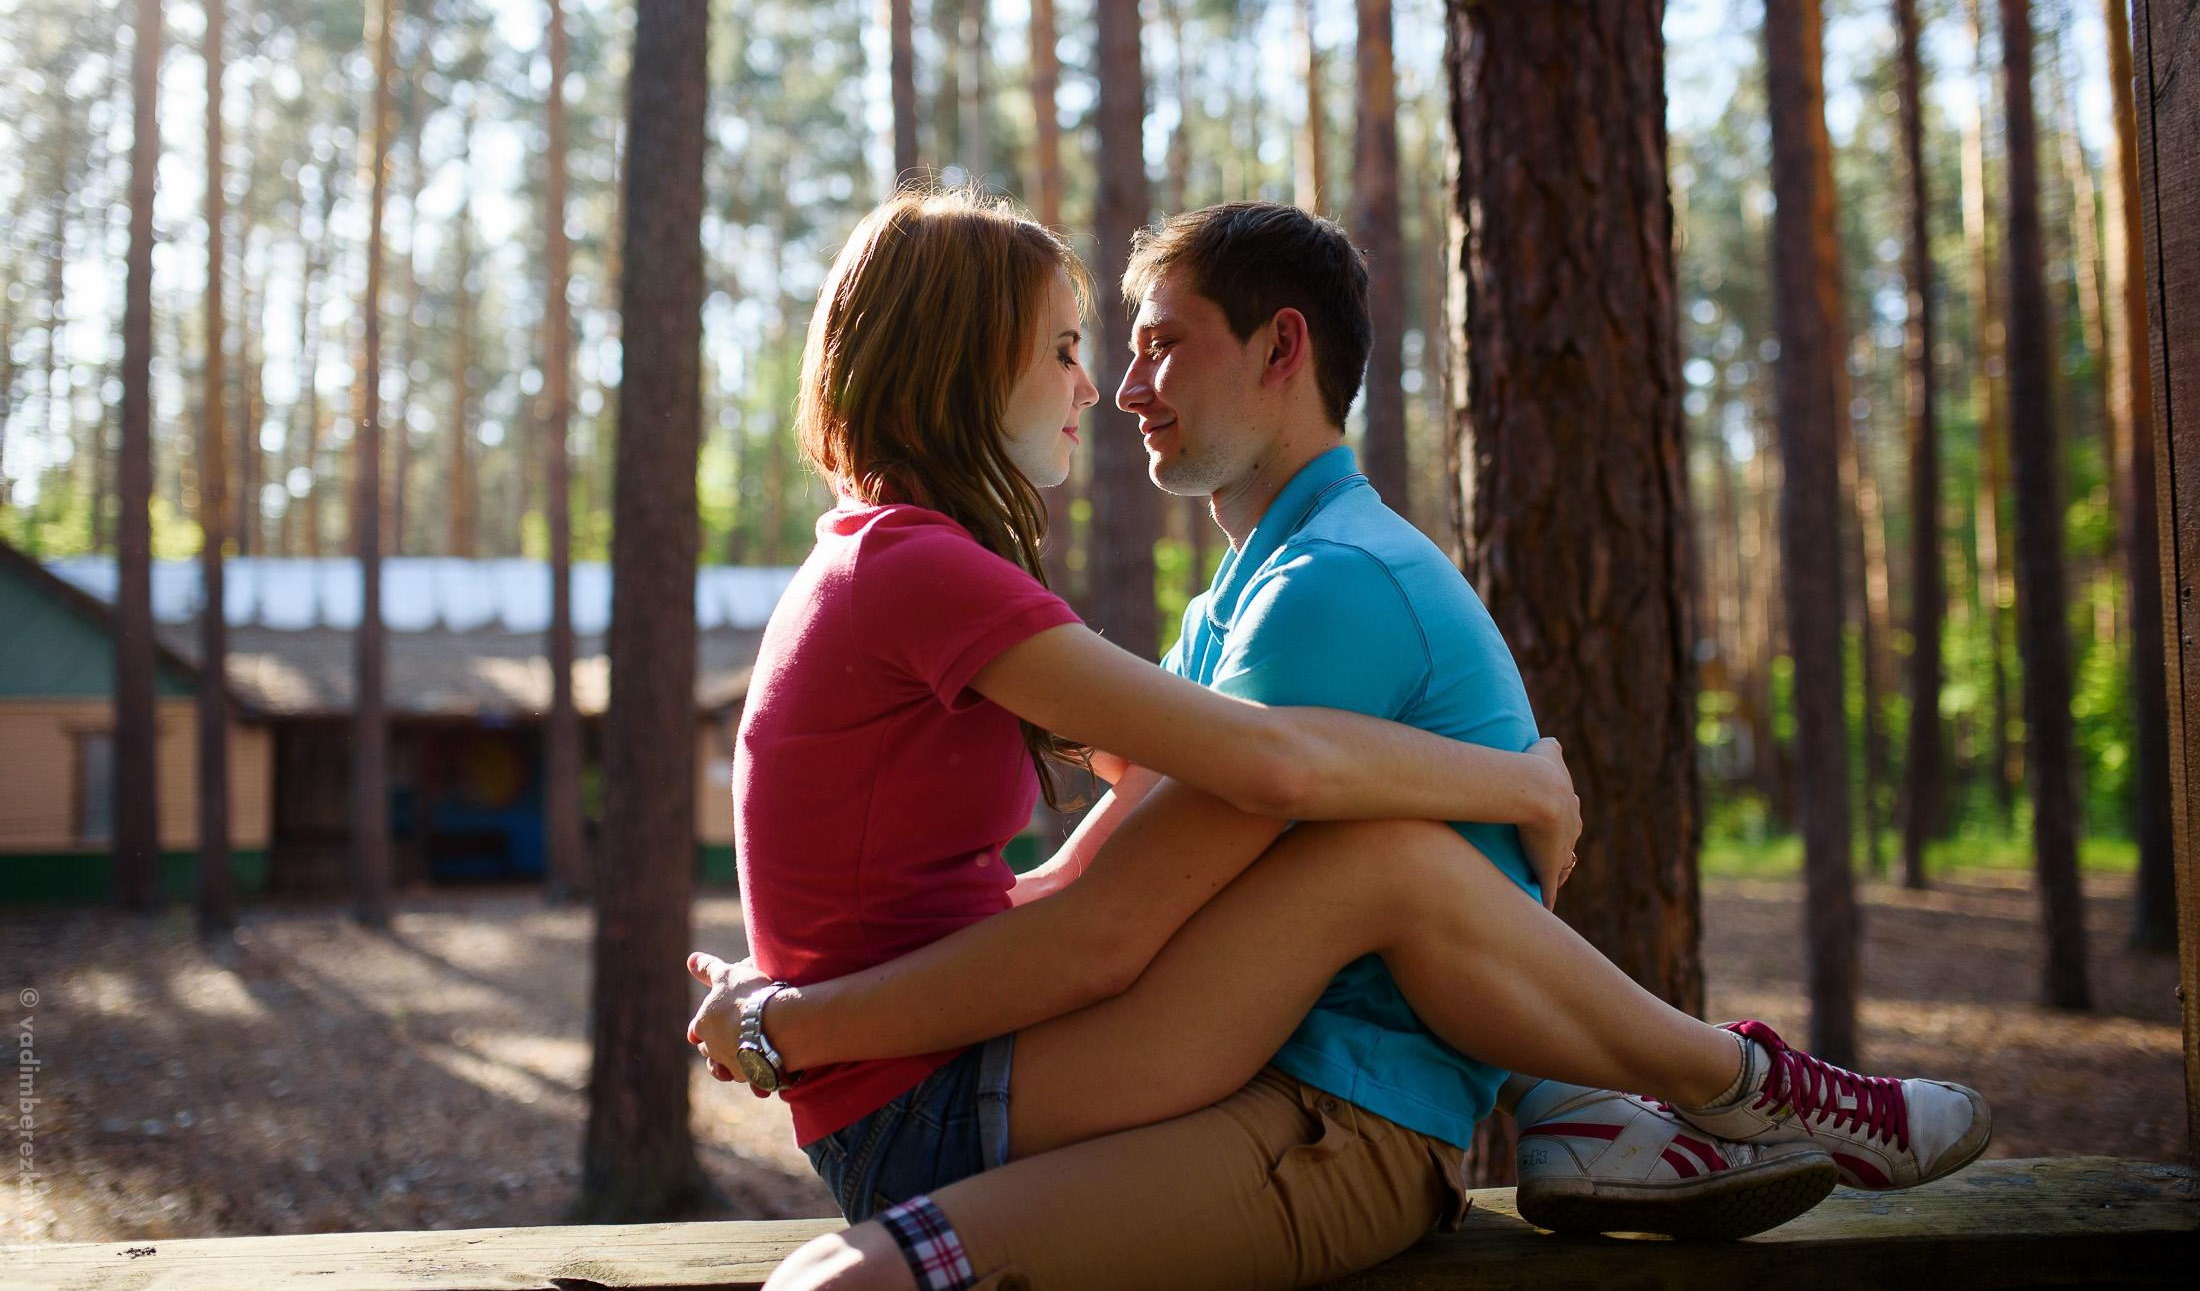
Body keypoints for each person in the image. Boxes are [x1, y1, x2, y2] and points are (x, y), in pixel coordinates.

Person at [690, 193, 1989, 1291]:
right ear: (968, 363)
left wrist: (804, 1016)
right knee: (1387, 860)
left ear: (1279, 349)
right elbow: (1243, 796)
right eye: (1071, 348)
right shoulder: (933, 567)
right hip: (940, 1099)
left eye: (1141, 345)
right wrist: (1526, 777)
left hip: (1001, 1089)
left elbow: (1118, 871)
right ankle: (1730, 1083)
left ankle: (1639, 1095)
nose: (1104, 385)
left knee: (1388, 862)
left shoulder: (1285, 580)